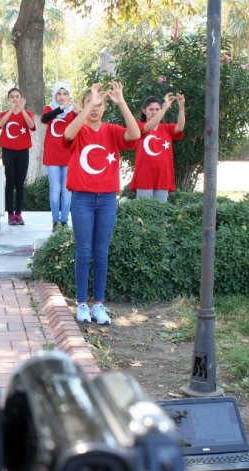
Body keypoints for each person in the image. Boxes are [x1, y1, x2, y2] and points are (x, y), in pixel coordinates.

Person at [64, 82, 140, 325]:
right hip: (82, 198)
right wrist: (86, 108)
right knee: (84, 251)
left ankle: (99, 304)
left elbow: (136, 135)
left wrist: (121, 102)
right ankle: (82, 303)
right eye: (90, 104)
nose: (95, 108)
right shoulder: (78, 129)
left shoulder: (111, 131)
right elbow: (67, 136)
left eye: (99, 104)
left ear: (106, 107)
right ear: (83, 106)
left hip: (107, 199)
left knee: (101, 252)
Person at [130, 93, 185, 203]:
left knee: (160, 213)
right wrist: (164, 109)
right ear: (144, 111)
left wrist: (181, 107)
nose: (154, 112)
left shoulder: (166, 128)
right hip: (144, 177)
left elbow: (180, 126)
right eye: (151, 109)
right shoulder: (139, 126)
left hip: (162, 177)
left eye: (157, 109)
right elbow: (149, 127)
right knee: (144, 211)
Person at [0, 87, 35, 226]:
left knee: (20, 183)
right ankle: (10, 214)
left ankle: (19, 213)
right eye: (12, 96)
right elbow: (0, 124)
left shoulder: (28, 113)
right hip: (8, 151)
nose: (15, 99)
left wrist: (22, 109)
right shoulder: (4, 114)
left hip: (23, 151)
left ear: (21, 98)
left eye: (17, 96)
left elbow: (31, 125)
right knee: (10, 182)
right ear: (8, 99)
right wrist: (12, 110)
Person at [42, 82, 78, 230]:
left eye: (65, 94)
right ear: (55, 95)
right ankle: (55, 221)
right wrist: (61, 108)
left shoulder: (74, 112)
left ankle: (64, 221)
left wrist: (79, 112)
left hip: (69, 155)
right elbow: (44, 119)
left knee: (67, 190)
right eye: (59, 94)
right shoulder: (49, 108)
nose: (62, 97)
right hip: (52, 155)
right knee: (55, 189)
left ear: (69, 95)